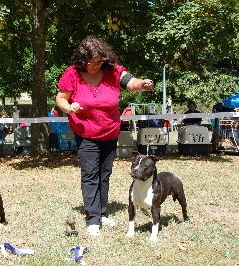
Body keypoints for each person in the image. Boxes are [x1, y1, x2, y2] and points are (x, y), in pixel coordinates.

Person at [56, 35, 154, 237]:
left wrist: (142, 84)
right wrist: (69, 107)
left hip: (110, 132)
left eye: (99, 62)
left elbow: (130, 82)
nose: (95, 66)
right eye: (91, 62)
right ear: (82, 60)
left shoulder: (112, 71)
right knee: (90, 175)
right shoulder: (72, 73)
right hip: (86, 133)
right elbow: (60, 98)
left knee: (104, 174)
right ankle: (92, 219)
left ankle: (101, 213)